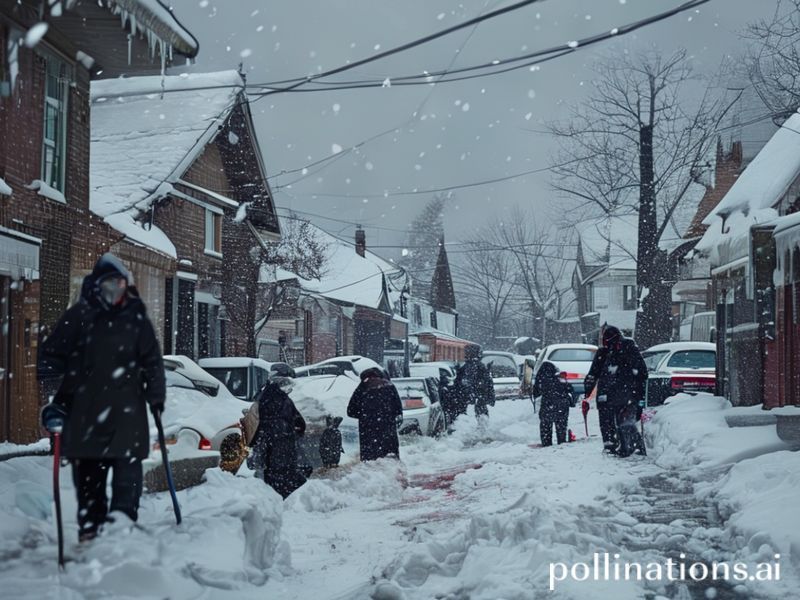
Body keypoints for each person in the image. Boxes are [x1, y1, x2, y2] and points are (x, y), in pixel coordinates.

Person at [37, 253, 165, 542]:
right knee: (88, 479)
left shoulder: (136, 319)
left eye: (121, 284)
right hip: (85, 416)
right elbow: (48, 359)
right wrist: (57, 395)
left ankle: (122, 528)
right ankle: (91, 529)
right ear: (97, 285)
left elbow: (153, 362)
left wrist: (156, 397)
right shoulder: (79, 317)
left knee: (127, 477)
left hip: (126, 417)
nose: (116, 290)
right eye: (111, 284)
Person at [584, 325, 648, 457]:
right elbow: (642, 372)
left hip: (613, 393)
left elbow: (593, 374)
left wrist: (588, 391)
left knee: (613, 420)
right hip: (623, 393)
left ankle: (615, 444)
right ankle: (627, 445)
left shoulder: (611, 352)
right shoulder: (627, 349)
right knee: (622, 421)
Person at [249, 377, 309, 499]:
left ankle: (274, 494)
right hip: (284, 441)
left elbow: (255, 422)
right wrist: (297, 429)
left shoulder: (262, 400)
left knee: (272, 471)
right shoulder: (285, 400)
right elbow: (299, 420)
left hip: (268, 443)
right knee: (287, 470)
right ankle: (286, 496)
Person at [347, 367, 403, 461]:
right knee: (390, 462)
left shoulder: (361, 388)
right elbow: (398, 408)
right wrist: (389, 417)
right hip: (388, 433)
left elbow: (350, 411)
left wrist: (365, 416)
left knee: (371, 466)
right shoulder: (389, 386)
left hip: (368, 435)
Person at [532, 361, 572, 446]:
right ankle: (561, 441)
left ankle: (546, 442)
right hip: (562, 406)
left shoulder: (541, 379)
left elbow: (536, 393)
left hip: (547, 405)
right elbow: (570, 388)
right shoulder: (559, 378)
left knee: (546, 425)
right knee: (561, 426)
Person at [461, 345, 495, 421]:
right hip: (479, 396)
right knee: (481, 414)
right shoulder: (480, 366)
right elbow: (488, 383)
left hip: (470, 397)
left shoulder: (465, 367)